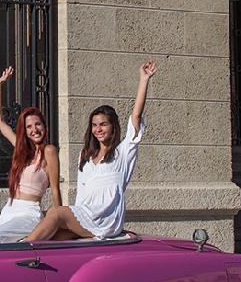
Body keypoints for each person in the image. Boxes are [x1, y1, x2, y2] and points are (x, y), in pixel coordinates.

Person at [29, 60, 157, 243]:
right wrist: (72, 217)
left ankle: (19, 253)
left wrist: (144, 80)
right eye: (95, 125)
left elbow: (135, 116)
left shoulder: (123, 153)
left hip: (106, 219)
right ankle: (27, 255)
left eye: (103, 124)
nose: (98, 129)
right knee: (54, 236)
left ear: (113, 127)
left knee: (55, 213)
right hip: (85, 215)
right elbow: (82, 193)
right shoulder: (85, 156)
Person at [0, 65, 60, 243]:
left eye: (38, 124)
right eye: (29, 127)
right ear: (24, 131)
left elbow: (55, 189)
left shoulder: (49, 151)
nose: (35, 130)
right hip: (10, 208)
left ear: (44, 126)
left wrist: (59, 221)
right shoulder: (21, 150)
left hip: (29, 213)